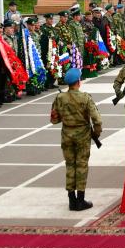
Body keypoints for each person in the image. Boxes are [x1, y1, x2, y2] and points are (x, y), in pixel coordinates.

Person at [50, 67, 102, 211]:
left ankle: (71, 200)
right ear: (79, 82)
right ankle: (80, 200)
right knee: (81, 165)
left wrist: (67, 116)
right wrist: (96, 134)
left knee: (70, 165)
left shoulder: (60, 98)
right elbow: (97, 120)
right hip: (83, 136)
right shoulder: (85, 97)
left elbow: (54, 120)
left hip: (66, 135)